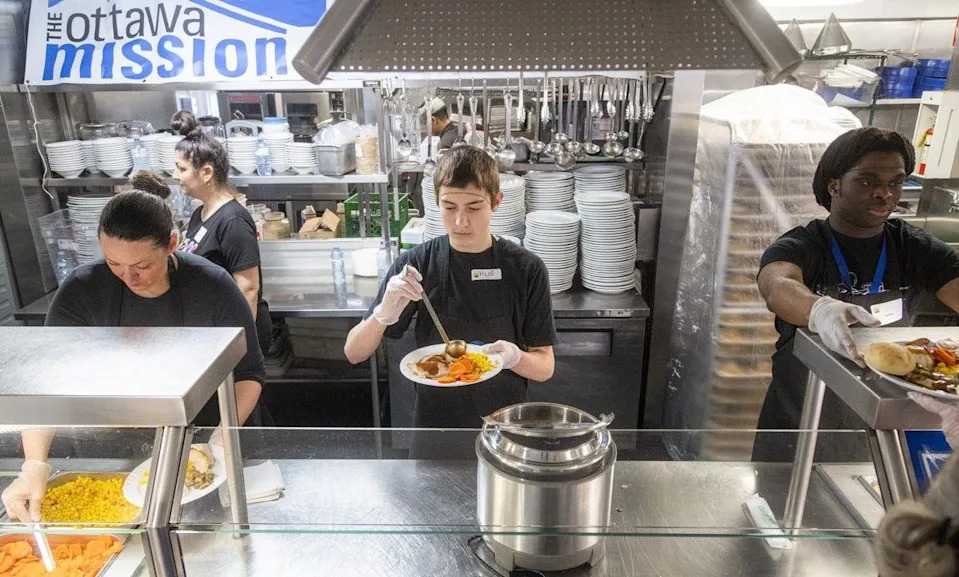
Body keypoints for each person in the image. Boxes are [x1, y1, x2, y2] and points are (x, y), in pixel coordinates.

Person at [0, 189, 265, 522]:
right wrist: (34, 465)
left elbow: (249, 374)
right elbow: (45, 387)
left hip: (205, 446)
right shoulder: (80, 292)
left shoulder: (213, 286)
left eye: (142, 265)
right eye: (114, 263)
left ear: (171, 245)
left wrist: (220, 439)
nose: (128, 277)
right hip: (116, 455)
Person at [755, 127, 959, 459]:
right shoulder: (805, 244)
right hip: (800, 419)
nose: (885, 193)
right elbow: (778, 286)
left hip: (883, 421)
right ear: (834, 185)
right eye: (868, 181)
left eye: (895, 182)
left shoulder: (914, 247)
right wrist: (819, 309)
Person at [344, 146, 556, 433]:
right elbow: (354, 352)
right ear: (435, 202)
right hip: (435, 425)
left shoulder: (526, 268)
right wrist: (382, 315)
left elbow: (545, 367)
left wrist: (515, 357)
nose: (460, 221)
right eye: (449, 207)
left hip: (505, 426)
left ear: (496, 201)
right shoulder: (416, 264)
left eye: (474, 207)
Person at [170, 110, 272, 356]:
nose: (175, 176)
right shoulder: (200, 214)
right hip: (211, 330)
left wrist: (240, 348)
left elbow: (248, 288)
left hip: (233, 336)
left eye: (181, 169)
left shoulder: (233, 220)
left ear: (206, 173)